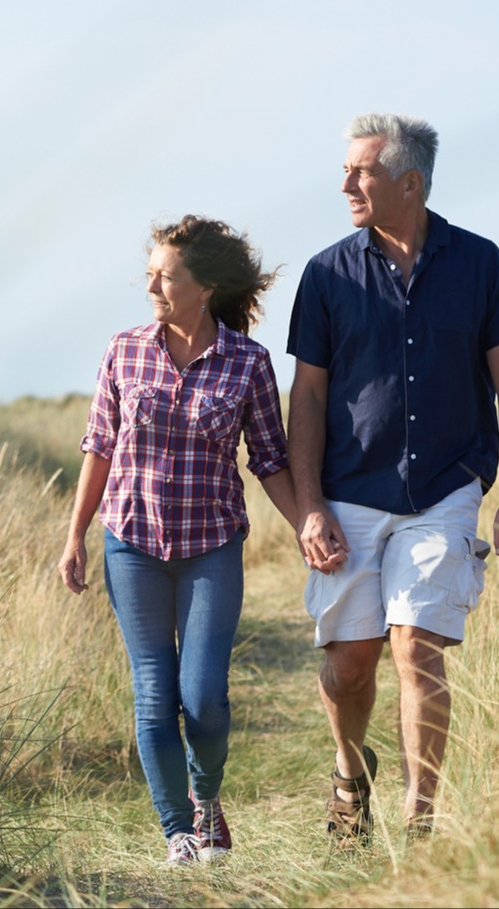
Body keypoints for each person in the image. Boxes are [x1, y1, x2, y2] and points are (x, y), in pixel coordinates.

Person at [287, 112, 499, 842]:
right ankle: (348, 769)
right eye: (347, 170)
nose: (345, 183)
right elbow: (306, 394)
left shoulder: (480, 264)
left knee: (414, 645)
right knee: (350, 663)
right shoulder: (327, 272)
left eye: (361, 171)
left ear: (409, 181)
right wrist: (308, 506)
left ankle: (419, 818)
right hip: (348, 490)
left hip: (447, 488)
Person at [58, 215, 297, 867]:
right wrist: (75, 534)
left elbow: (270, 458)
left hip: (211, 545)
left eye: (166, 275)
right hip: (131, 542)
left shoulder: (248, 363)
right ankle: (178, 831)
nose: (152, 285)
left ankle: (207, 795)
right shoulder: (124, 349)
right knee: (156, 693)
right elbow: (99, 446)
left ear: (206, 286)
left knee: (204, 697)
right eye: (151, 273)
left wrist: (307, 522)